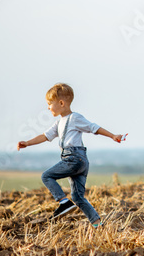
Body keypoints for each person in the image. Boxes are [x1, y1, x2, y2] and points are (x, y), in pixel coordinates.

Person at [17, 83, 126, 227]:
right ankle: (98, 225)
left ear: (61, 103)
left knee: (47, 176)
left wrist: (112, 136)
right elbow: (45, 136)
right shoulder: (59, 123)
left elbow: (94, 127)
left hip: (74, 158)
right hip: (80, 161)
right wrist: (28, 143)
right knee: (78, 197)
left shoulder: (75, 118)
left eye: (50, 104)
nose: (48, 107)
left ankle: (63, 202)